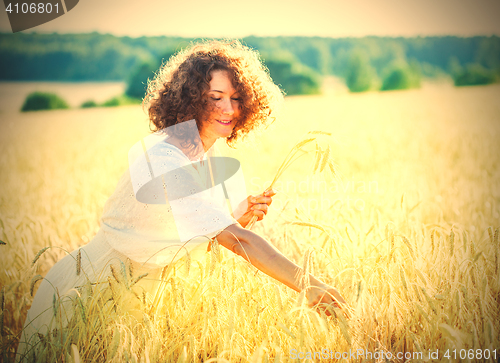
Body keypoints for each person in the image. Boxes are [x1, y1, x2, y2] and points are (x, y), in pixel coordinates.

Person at [17, 39, 346, 361]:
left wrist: (233, 218)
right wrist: (309, 286)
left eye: (236, 98)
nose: (228, 109)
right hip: (84, 295)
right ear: (191, 98)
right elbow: (236, 240)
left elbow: (185, 241)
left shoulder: (207, 156)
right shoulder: (163, 156)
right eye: (215, 97)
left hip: (135, 309)